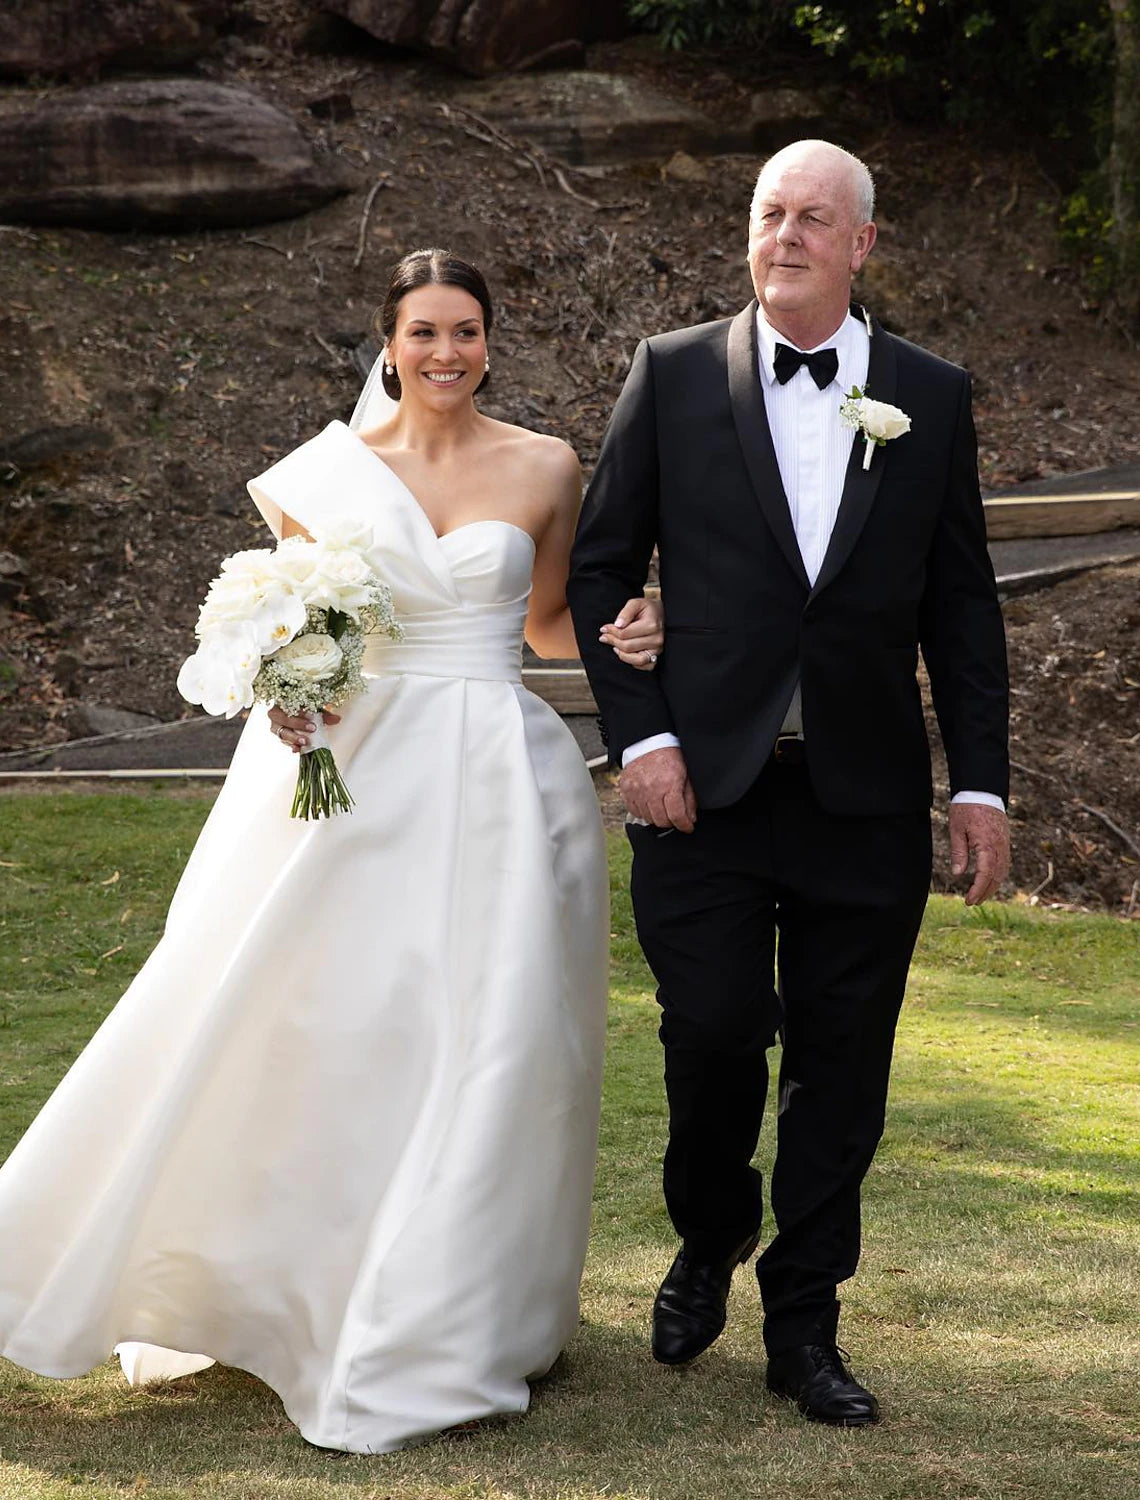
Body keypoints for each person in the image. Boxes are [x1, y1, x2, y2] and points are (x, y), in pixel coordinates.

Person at [0, 248, 664, 1453]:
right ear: (389, 342)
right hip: (353, 777)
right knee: (314, 1021)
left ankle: (453, 1311)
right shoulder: (323, 475)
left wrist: (638, 625)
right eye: (423, 333)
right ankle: (275, 1281)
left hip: (503, 782)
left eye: (465, 332)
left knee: (496, 1035)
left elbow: (548, 621)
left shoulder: (548, 465)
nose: (445, 354)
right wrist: (283, 688)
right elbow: (304, 628)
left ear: (489, 340)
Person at [567, 140, 1010, 1428]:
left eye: (817, 218)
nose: (788, 235)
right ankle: (710, 1237)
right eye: (770, 213)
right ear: (747, 232)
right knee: (709, 1033)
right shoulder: (670, 374)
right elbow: (601, 572)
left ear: (863, 243)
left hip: (865, 797)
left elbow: (964, 611)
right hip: (701, 791)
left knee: (842, 1063)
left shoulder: (931, 391)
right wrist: (642, 744)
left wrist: (977, 783)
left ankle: (804, 1324)